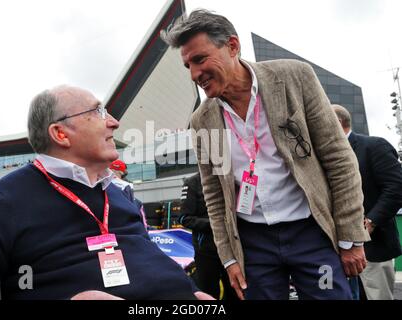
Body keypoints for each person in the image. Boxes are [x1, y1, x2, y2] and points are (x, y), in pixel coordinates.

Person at [161, 9, 370, 300]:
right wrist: (230, 257)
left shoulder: (295, 78)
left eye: (200, 59)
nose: (195, 74)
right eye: (187, 66)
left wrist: (350, 238)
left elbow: (340, 160)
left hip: (312, 234)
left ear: (232, 46)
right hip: (253, 245)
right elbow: (214, 194)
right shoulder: (201, 120)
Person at [0, 85, 212, 300]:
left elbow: (152, 264)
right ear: (61, 134)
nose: (114, 122)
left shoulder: (119, 196)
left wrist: (195, 293)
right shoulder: (1, 203)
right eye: (98, 112)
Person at [333, 104, 402, 300]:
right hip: (332, 253)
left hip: (373, 249)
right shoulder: (320, 154)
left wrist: (370, 222)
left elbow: (396, 188)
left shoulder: (374, 146)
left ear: (337, 122)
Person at [179, 172, 238, 300]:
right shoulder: (192, 182)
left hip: (233, 249)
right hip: (206, 251)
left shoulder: (230, 176)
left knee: (235, 291)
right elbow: (184, 218)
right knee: (209, 292)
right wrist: (216, 224)